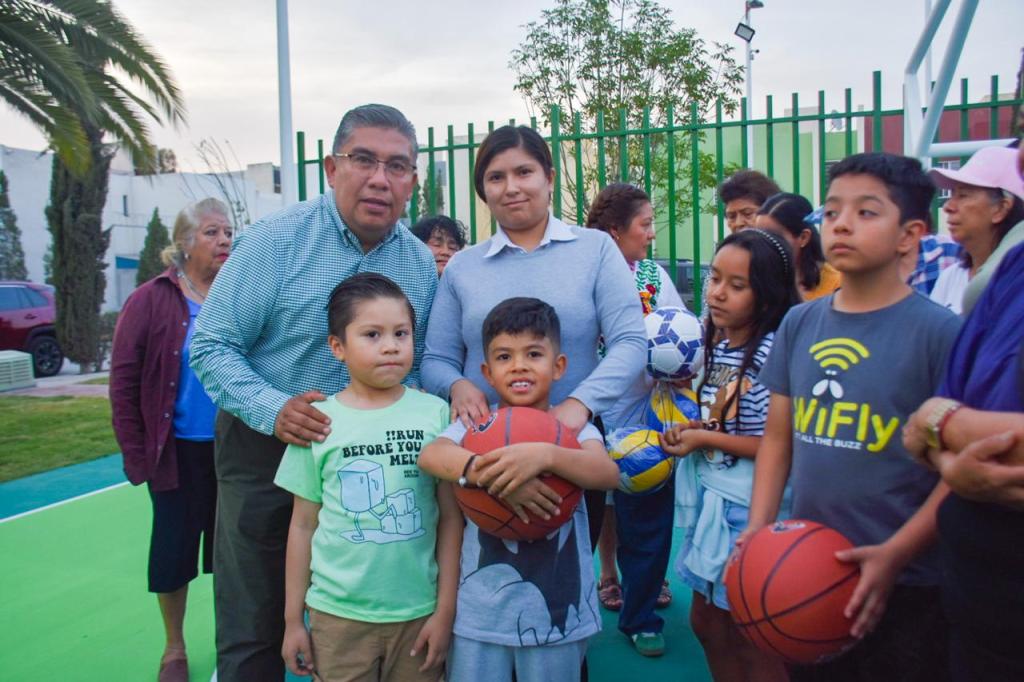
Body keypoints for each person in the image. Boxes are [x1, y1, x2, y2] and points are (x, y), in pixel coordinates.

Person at [189, 104, 438, 682]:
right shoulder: (275, 242)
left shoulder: (419, 265)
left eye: (398, 165)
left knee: (363, 606)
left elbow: (418, 365)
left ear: (413, 181)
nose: (380, 178)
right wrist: (274, 410)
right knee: (254, 617)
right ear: (331, 168)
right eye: (364, 160)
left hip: (374, 458)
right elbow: (213, 345)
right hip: (266, 447)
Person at [743, 153, 961, 682]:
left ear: (910, 235)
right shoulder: (800, 322)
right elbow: (778, 440)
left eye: (866, 212)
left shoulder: (941, 333)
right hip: (806, 569)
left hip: (907, 578)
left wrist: (895, 553)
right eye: (833, 210)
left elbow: (959, 473)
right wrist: (757, 530)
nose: (841, 223)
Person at [421, 125, 645, 556]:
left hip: (571, 445)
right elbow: (436, 358)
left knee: (567, 578)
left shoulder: (595, 250)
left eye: (524, 172)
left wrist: (578, 408)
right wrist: (458, 385)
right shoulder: (464, 268)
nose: (511, 188)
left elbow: (631, 341)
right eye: (496, 177)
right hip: (481, 454)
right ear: (484, 190)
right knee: (482, 578)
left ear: (549, 178)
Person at [418, 297, 620, 682]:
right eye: (505, 357)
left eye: (533, 353)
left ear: (559, 366)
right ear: (487, 373)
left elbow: (606, 473)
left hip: (560, 610)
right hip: (480, 612)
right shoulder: (476, 424)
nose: (520, 366)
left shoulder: (575, 428)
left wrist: (545, 455)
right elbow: (432, 456)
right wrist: (485, 472)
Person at [276, 273, 460, 681]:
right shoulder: (318, 421)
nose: (391, 345)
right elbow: (302, 526)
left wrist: (445, 610)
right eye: (372, 334)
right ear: (338, 347)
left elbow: (451, 518)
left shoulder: (436, 414)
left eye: (401, 333)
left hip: (419, 612)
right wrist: (293, 621)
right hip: (337, 617)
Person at [659, 228, 799, 682]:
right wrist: (696, 430)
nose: (717, 293)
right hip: (714, 500)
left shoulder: (773, 352)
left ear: (768, 296)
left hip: (750, 506)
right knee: (707, 622)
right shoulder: (719, 343)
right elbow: (725, 421)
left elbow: (777, 444)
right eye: (714, 278)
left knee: (751, 633)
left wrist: (706, 440)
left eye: (736, 286)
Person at [109, 198, 233, 682]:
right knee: (173, 554)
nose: (223, 240)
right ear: (183, 244)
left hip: (234, 448)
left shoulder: (238, 293)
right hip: (176, 451)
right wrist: (137, 455)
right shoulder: (151, 299)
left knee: (233, 554)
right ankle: (174, 648)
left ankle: (233, 642)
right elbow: (123, 381)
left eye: (227, 232)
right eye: (210, 232)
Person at [583, 182, 682, 656]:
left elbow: (680, 332)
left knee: (646, 518)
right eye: (644, 224)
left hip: (644, 417)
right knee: (580, 515)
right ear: (614, 230)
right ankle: (572, 612)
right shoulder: (578, 272)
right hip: (584, 413)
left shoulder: (652, 276)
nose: (651, 234)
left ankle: (640, 615)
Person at [926, 146, 1024, 314]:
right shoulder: (950, 277)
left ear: (1001, 208)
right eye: (951, 195)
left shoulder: (1016, 282)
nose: (948, 206)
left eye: (963, 195)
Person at [754, 192, 841, 300]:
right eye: (760, 234)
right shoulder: (754, 281)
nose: (764, 243)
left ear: (803, 237)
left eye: (774, 236)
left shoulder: (838, 285)